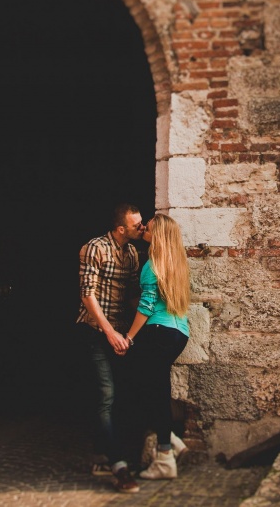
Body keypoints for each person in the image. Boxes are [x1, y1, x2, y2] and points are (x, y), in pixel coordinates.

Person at [77, 202, 145, 494]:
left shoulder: (132, 253)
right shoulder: (94, 247)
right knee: (106, 395)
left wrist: (134, 332)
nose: (142, 227)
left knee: (126, 395)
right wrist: (110, 333)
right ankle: (118, 465)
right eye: (136, 225)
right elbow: (87, 295)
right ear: (120, 229)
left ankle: (105, 452)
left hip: (122, 333)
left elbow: (133, 294)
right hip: (96, 331)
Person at [123, 213, 191, 480]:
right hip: (179, 333)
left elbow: (147, 306)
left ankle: (165, 456)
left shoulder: (152, 266)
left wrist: (129, 337)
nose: (144, 231)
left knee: (149, 390)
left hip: (159, 332)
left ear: (159, 236)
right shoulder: (177, 264)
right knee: (152, 388)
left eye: (148, 229)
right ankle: (171, 440)